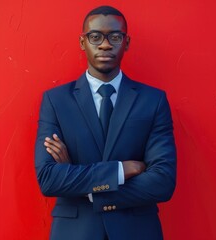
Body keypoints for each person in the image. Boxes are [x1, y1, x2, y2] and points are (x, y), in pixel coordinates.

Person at [34, 5, 176, 240]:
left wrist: (81, 181)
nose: (105, 44)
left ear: (126, 42)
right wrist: (121, 170)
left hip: (137, 232)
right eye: (95, 36)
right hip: (75, 232)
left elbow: (163, 181)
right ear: (83, 42)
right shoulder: (56, 101)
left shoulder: (154, 100)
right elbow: (49, 179)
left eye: (115, 37)